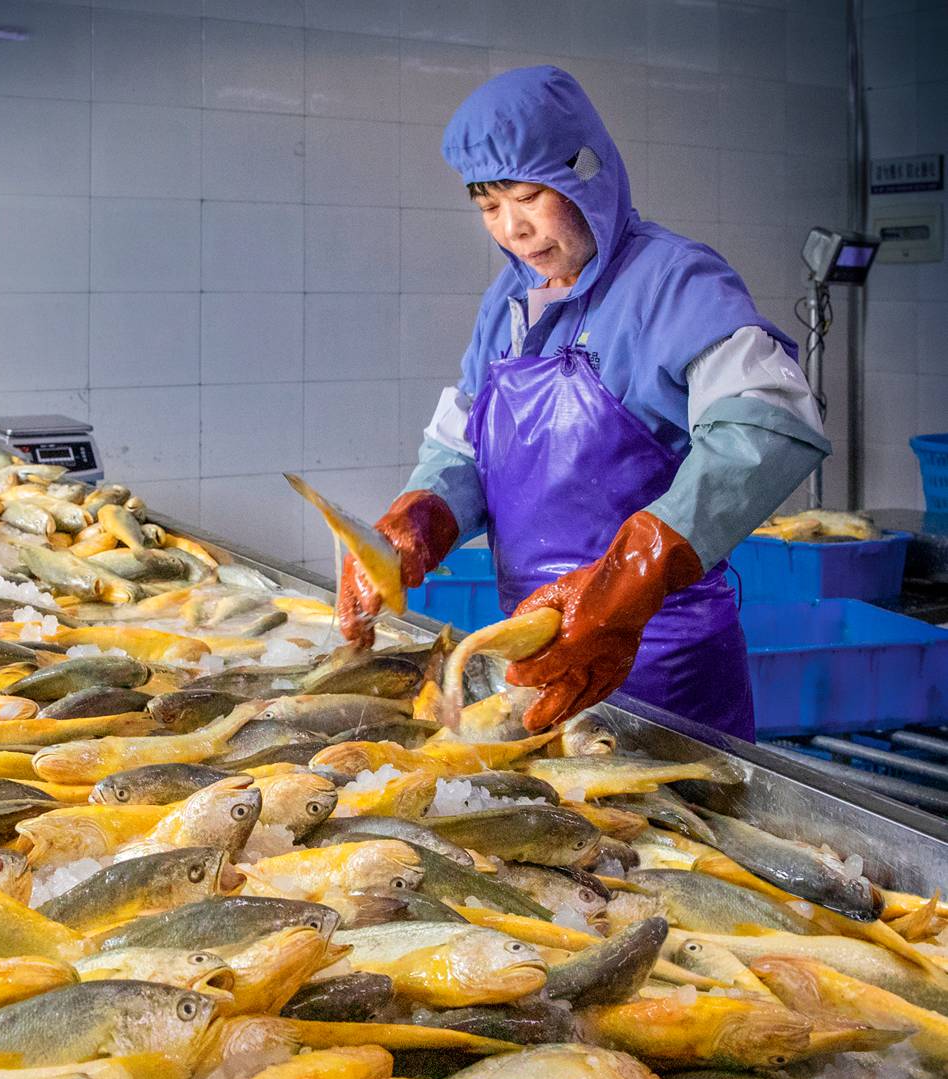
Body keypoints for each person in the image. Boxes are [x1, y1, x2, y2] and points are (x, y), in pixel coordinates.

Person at [340, 66, 829, 741]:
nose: (513, 228)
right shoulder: (507, 305)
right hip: (539, 657)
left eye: (529, 196)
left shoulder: (673, 280)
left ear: (585, 174)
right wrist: (422, 516)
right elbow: (466, 446)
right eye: (488, 206)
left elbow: (770, 423)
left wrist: (629, 579)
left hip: (664, 665)